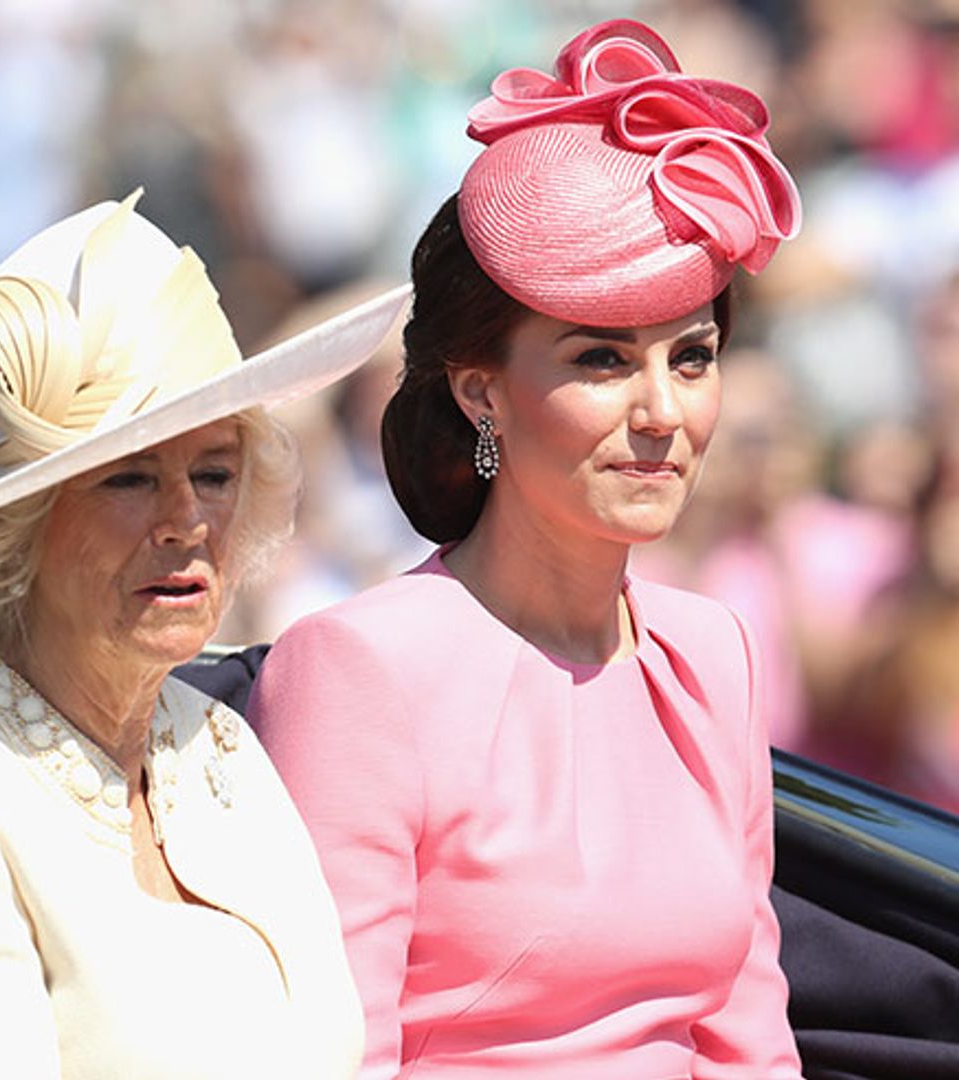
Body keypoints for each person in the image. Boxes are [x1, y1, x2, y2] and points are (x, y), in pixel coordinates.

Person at [248, 19, 804, 1078]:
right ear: (480, 387)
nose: (662, 413)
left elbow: (749, 1037)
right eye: (601, 359)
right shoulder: (358, 670)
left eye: (693, 358)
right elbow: (332, 1056)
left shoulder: (710, 654)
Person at [0, 190, 407, 1080]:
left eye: (214, 474)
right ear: (14, 532)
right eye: (127, 480)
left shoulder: (220, 743)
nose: (186, 522)